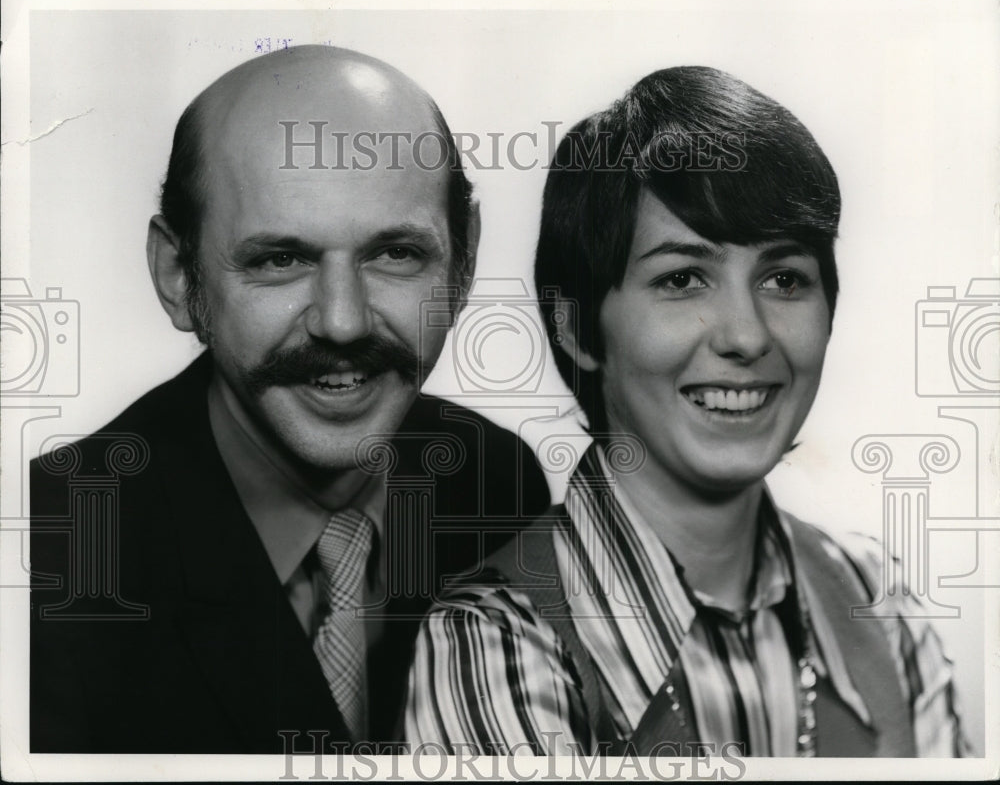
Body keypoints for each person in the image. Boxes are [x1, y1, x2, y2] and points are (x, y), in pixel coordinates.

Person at [404, 66, 967, 757]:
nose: (747, 336)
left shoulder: (876, 600)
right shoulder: (495, 644)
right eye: (682, 278)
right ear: (578, 329)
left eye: (785, 278)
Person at [29, 45, 550, 753]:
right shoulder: (48, 559)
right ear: (179, 277)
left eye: (395, 253)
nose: (343, 321)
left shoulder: (495, 479)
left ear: (465, 261)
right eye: (281, 260)